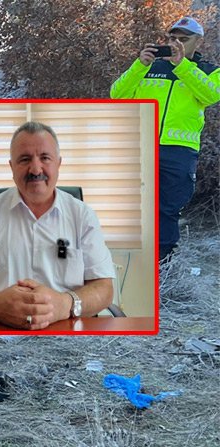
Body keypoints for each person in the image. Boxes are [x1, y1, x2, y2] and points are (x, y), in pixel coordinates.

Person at [0, 122, 115, 330]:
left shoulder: (82, 215)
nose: (36, 169)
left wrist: (65, 305)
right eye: (25, 159)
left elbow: (104, 287)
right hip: (1, 335)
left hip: (68, 333)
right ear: (11, 167)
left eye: (45, 158)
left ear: (59, 164)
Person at [111, 16, 220, 262]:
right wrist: (139, 65)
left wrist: (182, 65)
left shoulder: (210, 71)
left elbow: (211, 95)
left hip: (180, 150)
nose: (177, 43)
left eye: (184, 39)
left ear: (198, 42)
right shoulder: (150, 67)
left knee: (168, 208)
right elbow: (117, 95)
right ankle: (128, 259)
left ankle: (164, 263)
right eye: (172, 38)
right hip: (143, 144)